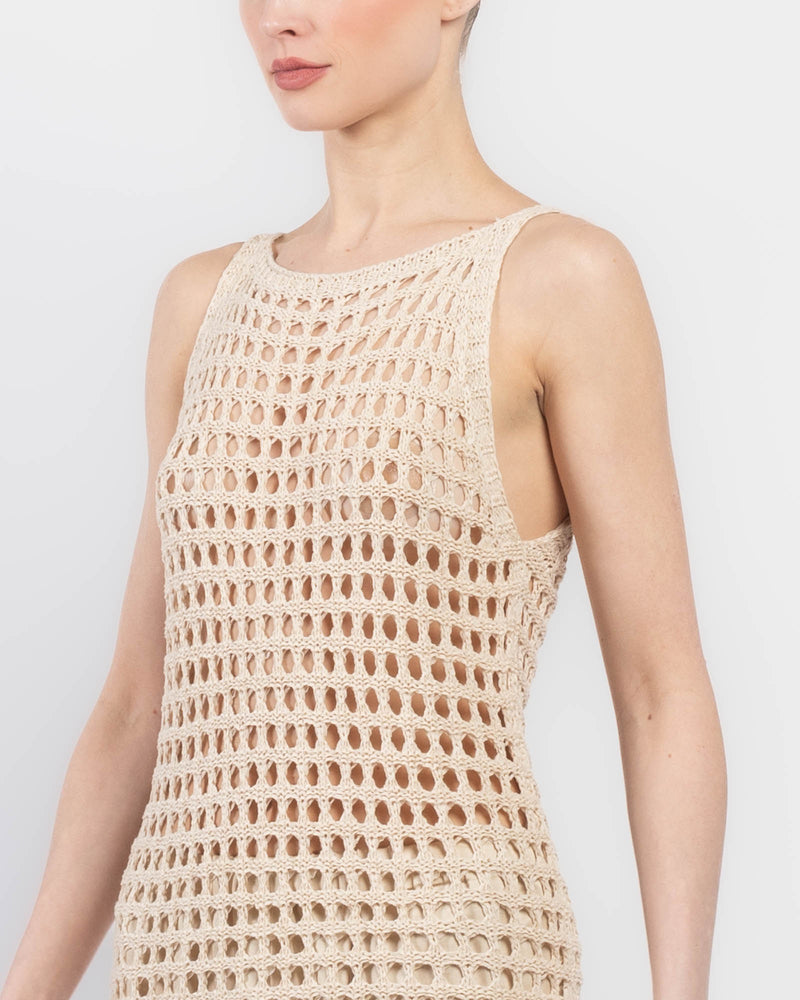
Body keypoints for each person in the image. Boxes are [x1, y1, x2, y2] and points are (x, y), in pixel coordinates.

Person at [1, 2, 727, 999]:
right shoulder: (202, 304)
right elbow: (137, 708)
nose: (279, 18)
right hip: (184, 964)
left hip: (443, 959)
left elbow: (657, 690)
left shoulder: (557, 279)